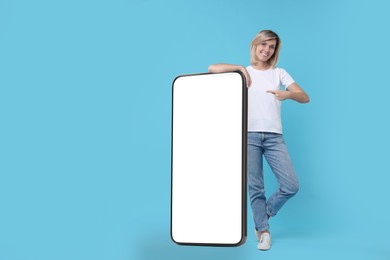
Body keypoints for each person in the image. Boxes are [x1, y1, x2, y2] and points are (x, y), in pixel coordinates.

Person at [208, 30, 310, 250]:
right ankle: (263, 232)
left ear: (275, 51)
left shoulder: (279, 73)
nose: (267, 50)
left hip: (274, 137)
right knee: (256, 187)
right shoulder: (244, 73)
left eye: (272, 47)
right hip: (249, 136)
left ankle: (264, 214)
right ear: (255, 45)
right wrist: (240, 68)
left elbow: (305, 97)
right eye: (263, 44)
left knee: (291, 185)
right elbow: (212, 68)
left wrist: (288, 94)